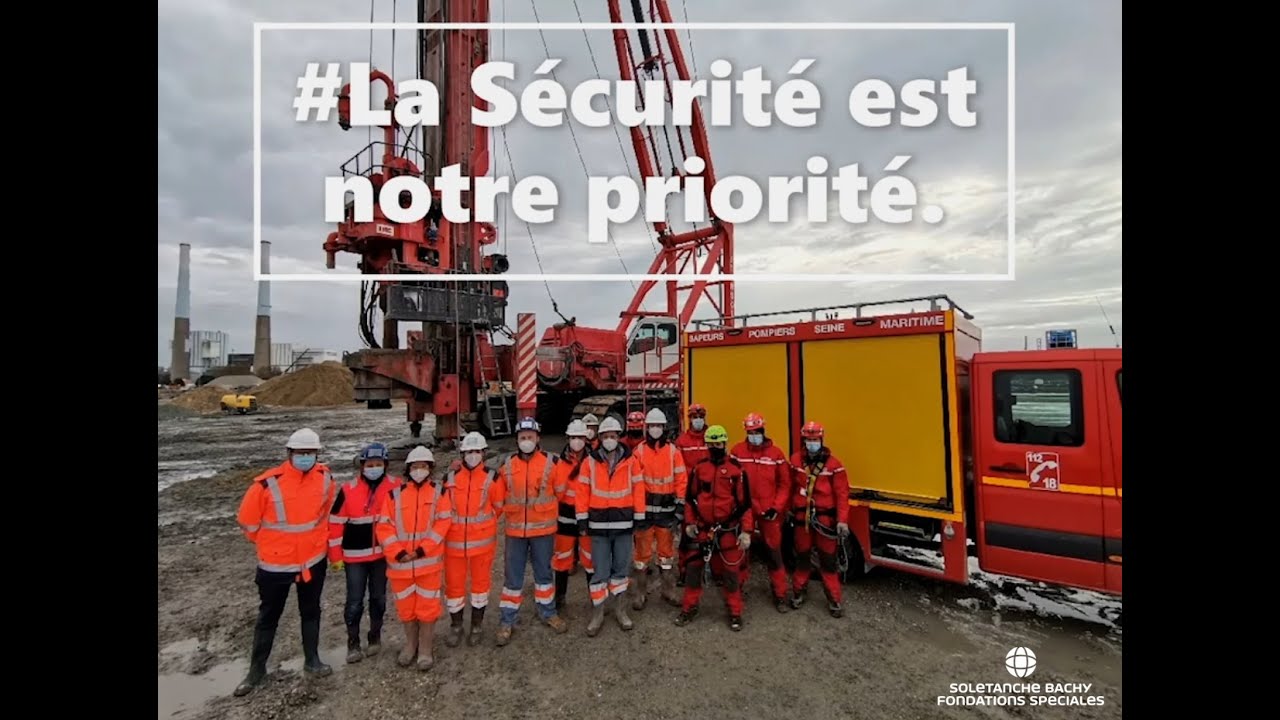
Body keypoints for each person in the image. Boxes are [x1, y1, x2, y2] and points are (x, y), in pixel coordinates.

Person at [233, 428, 339, 697]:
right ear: (289, 453)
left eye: (310, 453)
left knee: (311, 611)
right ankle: (256, 670)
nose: (306, 457)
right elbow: (248, 523)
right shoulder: (266, 485)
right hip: (275, 565)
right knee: (268, 616)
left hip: (312, 561)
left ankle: (312, 660)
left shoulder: (325, 478)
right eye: (301, 453)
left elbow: (325, 514)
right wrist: (274, 546)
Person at [375, 446, 452, 671]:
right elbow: (384, 527)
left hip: (427, 564)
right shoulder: (393, 495)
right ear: (408, 469)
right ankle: (411, 645)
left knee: (428, 607)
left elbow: (443, 524)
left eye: (424, 466)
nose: (420, 470)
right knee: (406, 608)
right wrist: (398, 552)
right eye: (416, 466)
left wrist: (421, 550)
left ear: (431, 469)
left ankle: (426, 648)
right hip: (400, 566)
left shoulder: (440, 493)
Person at [496, 418, 569, 645]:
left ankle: (548, 612)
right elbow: (497, 497)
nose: (526, 441)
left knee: (544, 574)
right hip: (515, 532)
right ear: (517, 440)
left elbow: (561, 493)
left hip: (544, 531)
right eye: (522, 437)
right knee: (512, 578)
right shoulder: (506, 466)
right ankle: (507, 620)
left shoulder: (552, 463)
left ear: (538, 438)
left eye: (530, 437)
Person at [674, 425, 752, 631]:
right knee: (693, 570)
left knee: (731, 573)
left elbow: (745, 505)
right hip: (702, 528)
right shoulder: (700, 469)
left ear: (724, 443)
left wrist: (746, 531)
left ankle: (735, 612)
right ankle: (689, 607)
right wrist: (690, 523)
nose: (715, 447)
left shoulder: (737, 469)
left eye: (718, 443)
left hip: (728, 530)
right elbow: (690, 499)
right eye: (711, 444)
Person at [328, 442, 400, 663]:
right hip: (354, 558)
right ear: (362, 465)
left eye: (378, 464)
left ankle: (375, 637)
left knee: (378, 599)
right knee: (354, 601)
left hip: (381, 556)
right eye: (370, 464)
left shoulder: (396, 487)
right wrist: (336, 557)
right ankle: (353, 643)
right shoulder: (348, 490)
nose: (374, 467)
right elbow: (335, 524)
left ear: (385, 465)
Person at [575, 415, 645, 636]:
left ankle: (621, 611)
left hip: (624, 525)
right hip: (598, 526)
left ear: (619, 437)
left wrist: (640, 516)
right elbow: (582, 492)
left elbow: (639, 489)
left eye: (613, 436)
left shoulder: (631, 462)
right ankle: (598, 614)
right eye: (605, 436)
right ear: (600, 437)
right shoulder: (589, 462)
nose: (609, 439)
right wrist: (582, 519)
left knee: (621, 571)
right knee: (600, 573)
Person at [443, 431, 506, 647]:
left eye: (477, 451)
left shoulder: (492, 477)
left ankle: (477, 625)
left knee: (480, 586)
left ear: (484, 453)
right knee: (454, 587)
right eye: (469, 452)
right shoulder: (449, 478)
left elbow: (498, 507)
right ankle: (456, 625)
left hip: (482, 545)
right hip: (453, 545)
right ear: (462, 454)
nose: (473, 455)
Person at [787, 421, 850, 618]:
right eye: (808, 440)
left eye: (815, 440)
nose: (811, 443)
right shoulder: (796, 461)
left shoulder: (834, 465)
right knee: (803, 558)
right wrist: (788, 509)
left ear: (821, 440)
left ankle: (834, 599)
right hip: (801, 518)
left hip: (825, 519)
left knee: (828, 561)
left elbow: (842, 494)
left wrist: (842, 520)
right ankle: (798, 592)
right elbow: (789, 486)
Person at [729, 413, 791, 612]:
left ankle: (780, 594)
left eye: (757, 432)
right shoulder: (737, 452)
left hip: (769, 510)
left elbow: (784, 484)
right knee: (740, 551)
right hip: (745, 508)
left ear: (763, 431)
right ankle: (737, 589)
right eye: (750, 432)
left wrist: (777, 507)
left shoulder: (776, 454)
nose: (754, 435)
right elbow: (731, 480)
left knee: (774, 554)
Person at [630, 408, 687, 609]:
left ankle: (668, 591)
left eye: (658, 426)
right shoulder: (638, 451)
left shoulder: (673, 452)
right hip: (644, 511)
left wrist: (680, 506)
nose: (655, 429)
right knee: (641, 556)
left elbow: (681, 479)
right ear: (647, 428)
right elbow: (633, 482)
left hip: (665, 511)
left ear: (664, 428)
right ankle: (640, 594)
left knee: (666, 554)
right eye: (652, 425)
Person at [552, 420, 595, 609]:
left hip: (586, 517)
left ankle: (596, 599)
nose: (576, 441)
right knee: (562, 559)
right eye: (573, 438)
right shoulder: (558, 463)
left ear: (586, 439)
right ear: (568, 439)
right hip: (565, 517)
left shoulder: (593, 461)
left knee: (590, 559)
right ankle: (560, 598)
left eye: (579, 437)